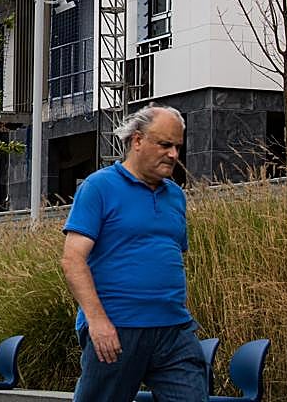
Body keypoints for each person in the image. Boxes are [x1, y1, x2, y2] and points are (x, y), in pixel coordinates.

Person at [60, 103, 207, 402]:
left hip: (173, 330)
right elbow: (72, 259)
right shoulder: (99, 187)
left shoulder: (175, 196)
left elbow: (171, 257)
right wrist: (97, 321)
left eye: (177, 146)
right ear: (137, 141)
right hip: (117, 329)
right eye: (165, 144)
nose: (174, 155)